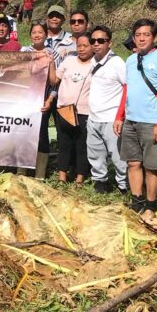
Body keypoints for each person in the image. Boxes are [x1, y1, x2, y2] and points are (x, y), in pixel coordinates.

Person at [113, 19, 157, 220]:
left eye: (146, 34)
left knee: (151, 167)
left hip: (152, 122)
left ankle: (150, 205)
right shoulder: (131, 60)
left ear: (154, 37)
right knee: (133, 163)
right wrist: (119, 116)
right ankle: (137, 200)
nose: (141, 38)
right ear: (133, 38)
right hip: (131, 121)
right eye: (138, 35)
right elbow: (127, 90)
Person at [86, 26, 128, 194]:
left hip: (111, 118)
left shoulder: (117, 63)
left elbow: (128, 87)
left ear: (109, 43)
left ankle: (124, 185)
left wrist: (120, 116)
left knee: (118, 156)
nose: (96, 44)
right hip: (94, 117)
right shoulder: (92, 61)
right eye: (93, 41)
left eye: (101, 41)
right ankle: (100, 181)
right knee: (95, 154)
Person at [49, 34, 94, 183]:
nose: (81, 49)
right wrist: (50, 64)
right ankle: (62, 177)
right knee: (64, 144)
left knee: (82, 146)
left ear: (92, 46)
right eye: (79, 46)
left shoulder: (96, 65)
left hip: (85, 113)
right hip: (64, 110)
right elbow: (54, 80)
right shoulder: (68, 61)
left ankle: (80, 179)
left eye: (85, 46)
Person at [22, 22, 55, 178]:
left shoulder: (51, 53)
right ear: (30, 35)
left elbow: (55, 82)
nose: (36, 35)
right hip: (25, 98)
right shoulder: (23, 52)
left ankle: (40, 174)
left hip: (42, 101)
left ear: (46, 35)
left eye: (40, 32)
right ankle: (21, 171)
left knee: (41, 134)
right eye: (34, 32)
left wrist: (50, 100)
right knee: (23, 133)